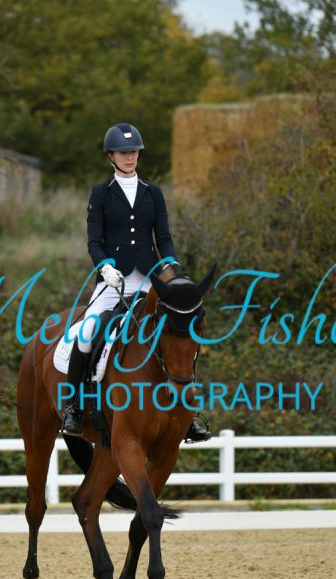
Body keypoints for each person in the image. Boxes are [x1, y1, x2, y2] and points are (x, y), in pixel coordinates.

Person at [60, 122, 211, 443]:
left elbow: (164, 238)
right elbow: (94, 241)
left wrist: (171, 263)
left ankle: (187, 415)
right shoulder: (101, 193)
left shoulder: (152, 193)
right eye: (123, 152)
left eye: (134, 152)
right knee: (86, 334)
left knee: (179, 332)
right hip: (112, 281)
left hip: (149, 281)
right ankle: (74, 407)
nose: (129, 157)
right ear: (111, 156)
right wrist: (104, 266)